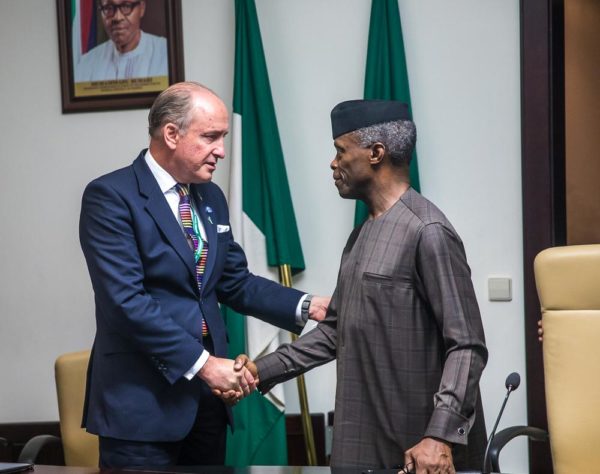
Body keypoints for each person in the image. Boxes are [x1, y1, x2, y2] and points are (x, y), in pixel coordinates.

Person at [79, 81, 328, 468]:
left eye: (223, 137)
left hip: (207, 406)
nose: (222, 151)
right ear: (172, 134)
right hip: (142, 408)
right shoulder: (111, 196)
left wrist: (307, 305)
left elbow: (234, 281)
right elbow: (125, 302)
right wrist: (205, 364)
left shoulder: (209, 196)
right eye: (211, 137)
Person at [235, 100, 488, 473]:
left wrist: (440, 435)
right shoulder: (362, 234)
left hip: (419, 449)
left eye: (340, 151)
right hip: (361, 441)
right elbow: (336, 330)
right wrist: (260, 371)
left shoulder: (427, 231)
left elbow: (466, 344)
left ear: (376, 153)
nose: (333, 163)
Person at [75, 0, 168, 82]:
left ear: (142, 8)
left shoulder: (166, 54)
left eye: (126, 6)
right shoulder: (86, 64)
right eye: (108, 8)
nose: (117, 17)